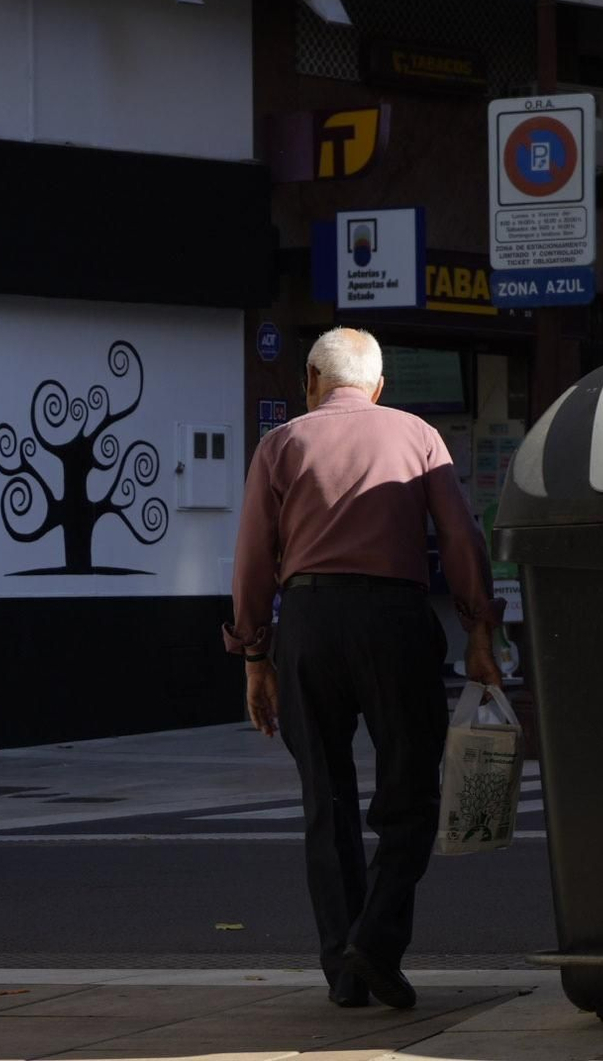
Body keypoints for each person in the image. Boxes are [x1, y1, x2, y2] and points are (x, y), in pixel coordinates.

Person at [223, 327, 503, 1011]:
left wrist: (256, 655)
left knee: (327, 799)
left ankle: (344, 970)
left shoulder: (280, 444)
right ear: (378, 387)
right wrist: (478, 631)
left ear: (312, 380)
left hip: (310, 622)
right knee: (409, 797)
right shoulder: (417, 436)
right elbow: (461, 537)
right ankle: (374, 943)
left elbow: (253, 557)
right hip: (394, 621)